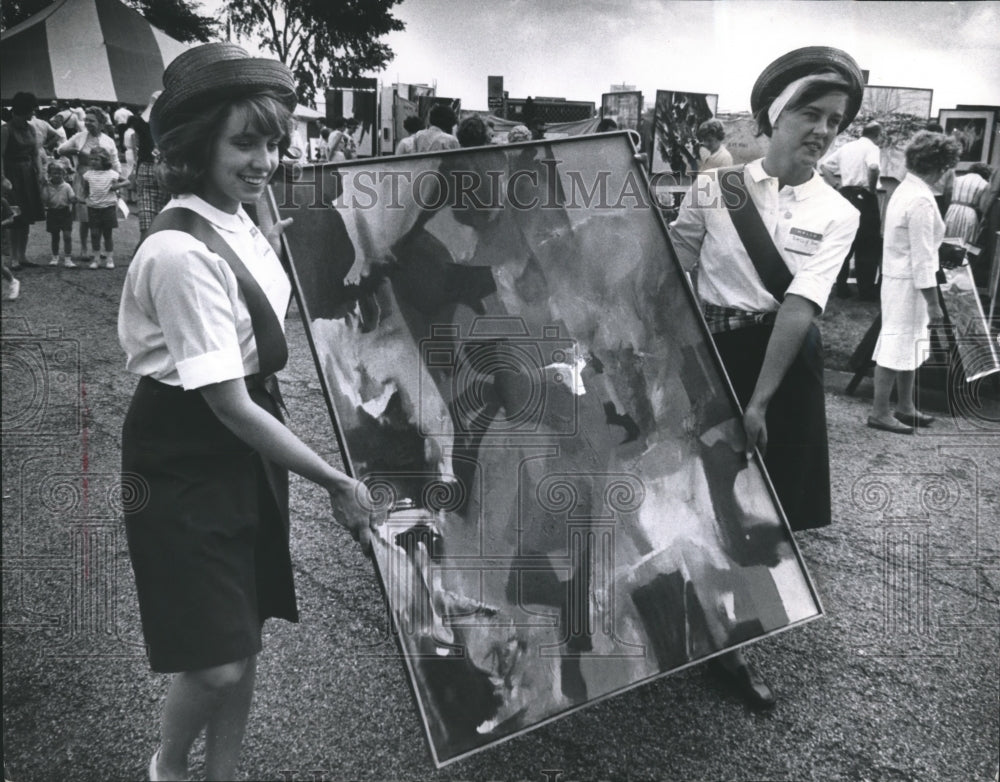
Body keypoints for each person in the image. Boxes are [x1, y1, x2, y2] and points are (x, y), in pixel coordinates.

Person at [117, 42, 382, 782]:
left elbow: (256, 313)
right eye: (245, 142)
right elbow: (227, 402)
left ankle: (221, 775)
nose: (266, 160)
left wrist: (264, 235)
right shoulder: (178, 252)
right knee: (218, 662)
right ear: (198, 143)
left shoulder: (238, 215)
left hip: (242, 436)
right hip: (189, 447)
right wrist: (336, 481)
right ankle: (168, 769)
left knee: (246, 630)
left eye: (274, 142)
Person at [669, 45, 865, 709]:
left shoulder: (839, 212)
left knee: (761, 511)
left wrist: (758, 403)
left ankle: (734, 642)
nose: (822, 129)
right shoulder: (715, 187)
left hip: (778, 368)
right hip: (712, 352)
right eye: (810, 112)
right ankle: (705, 616)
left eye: (835, 121)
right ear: (773, 116)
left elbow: (802, 307)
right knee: (703, 494)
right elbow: (675, 269)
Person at [867, 131, 960, 435]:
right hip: (909, 282)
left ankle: (905, 405)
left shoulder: (906, 190)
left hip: (902, 279)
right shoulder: (920, 199)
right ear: (940, 167)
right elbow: (922, 257)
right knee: (896, 343)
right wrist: (934, 303)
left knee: (908, 343)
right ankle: (880, 411)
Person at [821, 121, 883, 300]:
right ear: (877, 135)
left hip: (846, 194)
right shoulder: (872, 148)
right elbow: (873, 167)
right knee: (868, 245)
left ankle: (841, 288)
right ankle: (865, 290)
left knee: (845, 241)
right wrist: (871, 189)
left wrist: (835, 184)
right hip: (864, 197)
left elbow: (824, 166)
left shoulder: (847, 147)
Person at [58, 108, 120, 260]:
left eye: (91, 121)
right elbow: (60, 149)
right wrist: (75, 151)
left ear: (101, 123)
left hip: (104, 179)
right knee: (85, 216)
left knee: (103, 214)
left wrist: (117, 181)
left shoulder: (108, 140)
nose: (87, 123)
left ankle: (102, 249)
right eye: (86, 120)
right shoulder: (80, 136)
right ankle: (85, 248)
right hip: (84, 177)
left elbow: (115, 161)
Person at [1, 92, 49, 269]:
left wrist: (40, 171)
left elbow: (35, 152)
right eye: (30, 110)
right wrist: (2, 178)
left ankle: (22, 255)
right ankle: (13, 257)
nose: (32, 114)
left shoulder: (30, 128)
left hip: (28, 173)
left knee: (27, 215)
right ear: (22, 110)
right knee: (16, 216)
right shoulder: (6, 130)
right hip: (13, 174)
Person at [128, 113, 170, 246]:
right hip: (147, 170)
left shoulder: (177, 126)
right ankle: (144, 257)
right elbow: (140, 124)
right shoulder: (145, 128)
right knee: (146, 224)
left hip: (172, 171)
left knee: (169, 224)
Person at [81, 147, 127, 269]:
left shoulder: (112, 173)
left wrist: (116, 186)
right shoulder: (87, 174)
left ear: (104, 160)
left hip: (108, 207)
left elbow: (127, 182)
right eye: (91, 159)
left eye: (97, 159)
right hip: (93, 208)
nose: (93, 162)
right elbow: (85, 190)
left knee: (107, 234)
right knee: (95, 233)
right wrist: (86, 199)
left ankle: (109, 259)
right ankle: (96, 259)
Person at [944, 163, 991, 245]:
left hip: (952, 210)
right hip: (969, 212)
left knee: (948, 238)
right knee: (965, 240)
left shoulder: (957, 179)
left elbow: (948, 193)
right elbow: (982, 206)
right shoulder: (985, 184)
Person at [41, 160, 77, 267]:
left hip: (65, 212)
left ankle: (68, 259)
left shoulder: (67, 186)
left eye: (59, 173)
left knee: (67, 236)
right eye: (54, 173)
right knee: (55, 236)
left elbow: (71, 198)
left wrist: (75, 199)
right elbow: (44, 200)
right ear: (49, 174)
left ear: (64, 174)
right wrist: (43, 187)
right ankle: (55, 257)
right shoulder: (47, 186)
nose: (57, 175)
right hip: (52, 213)